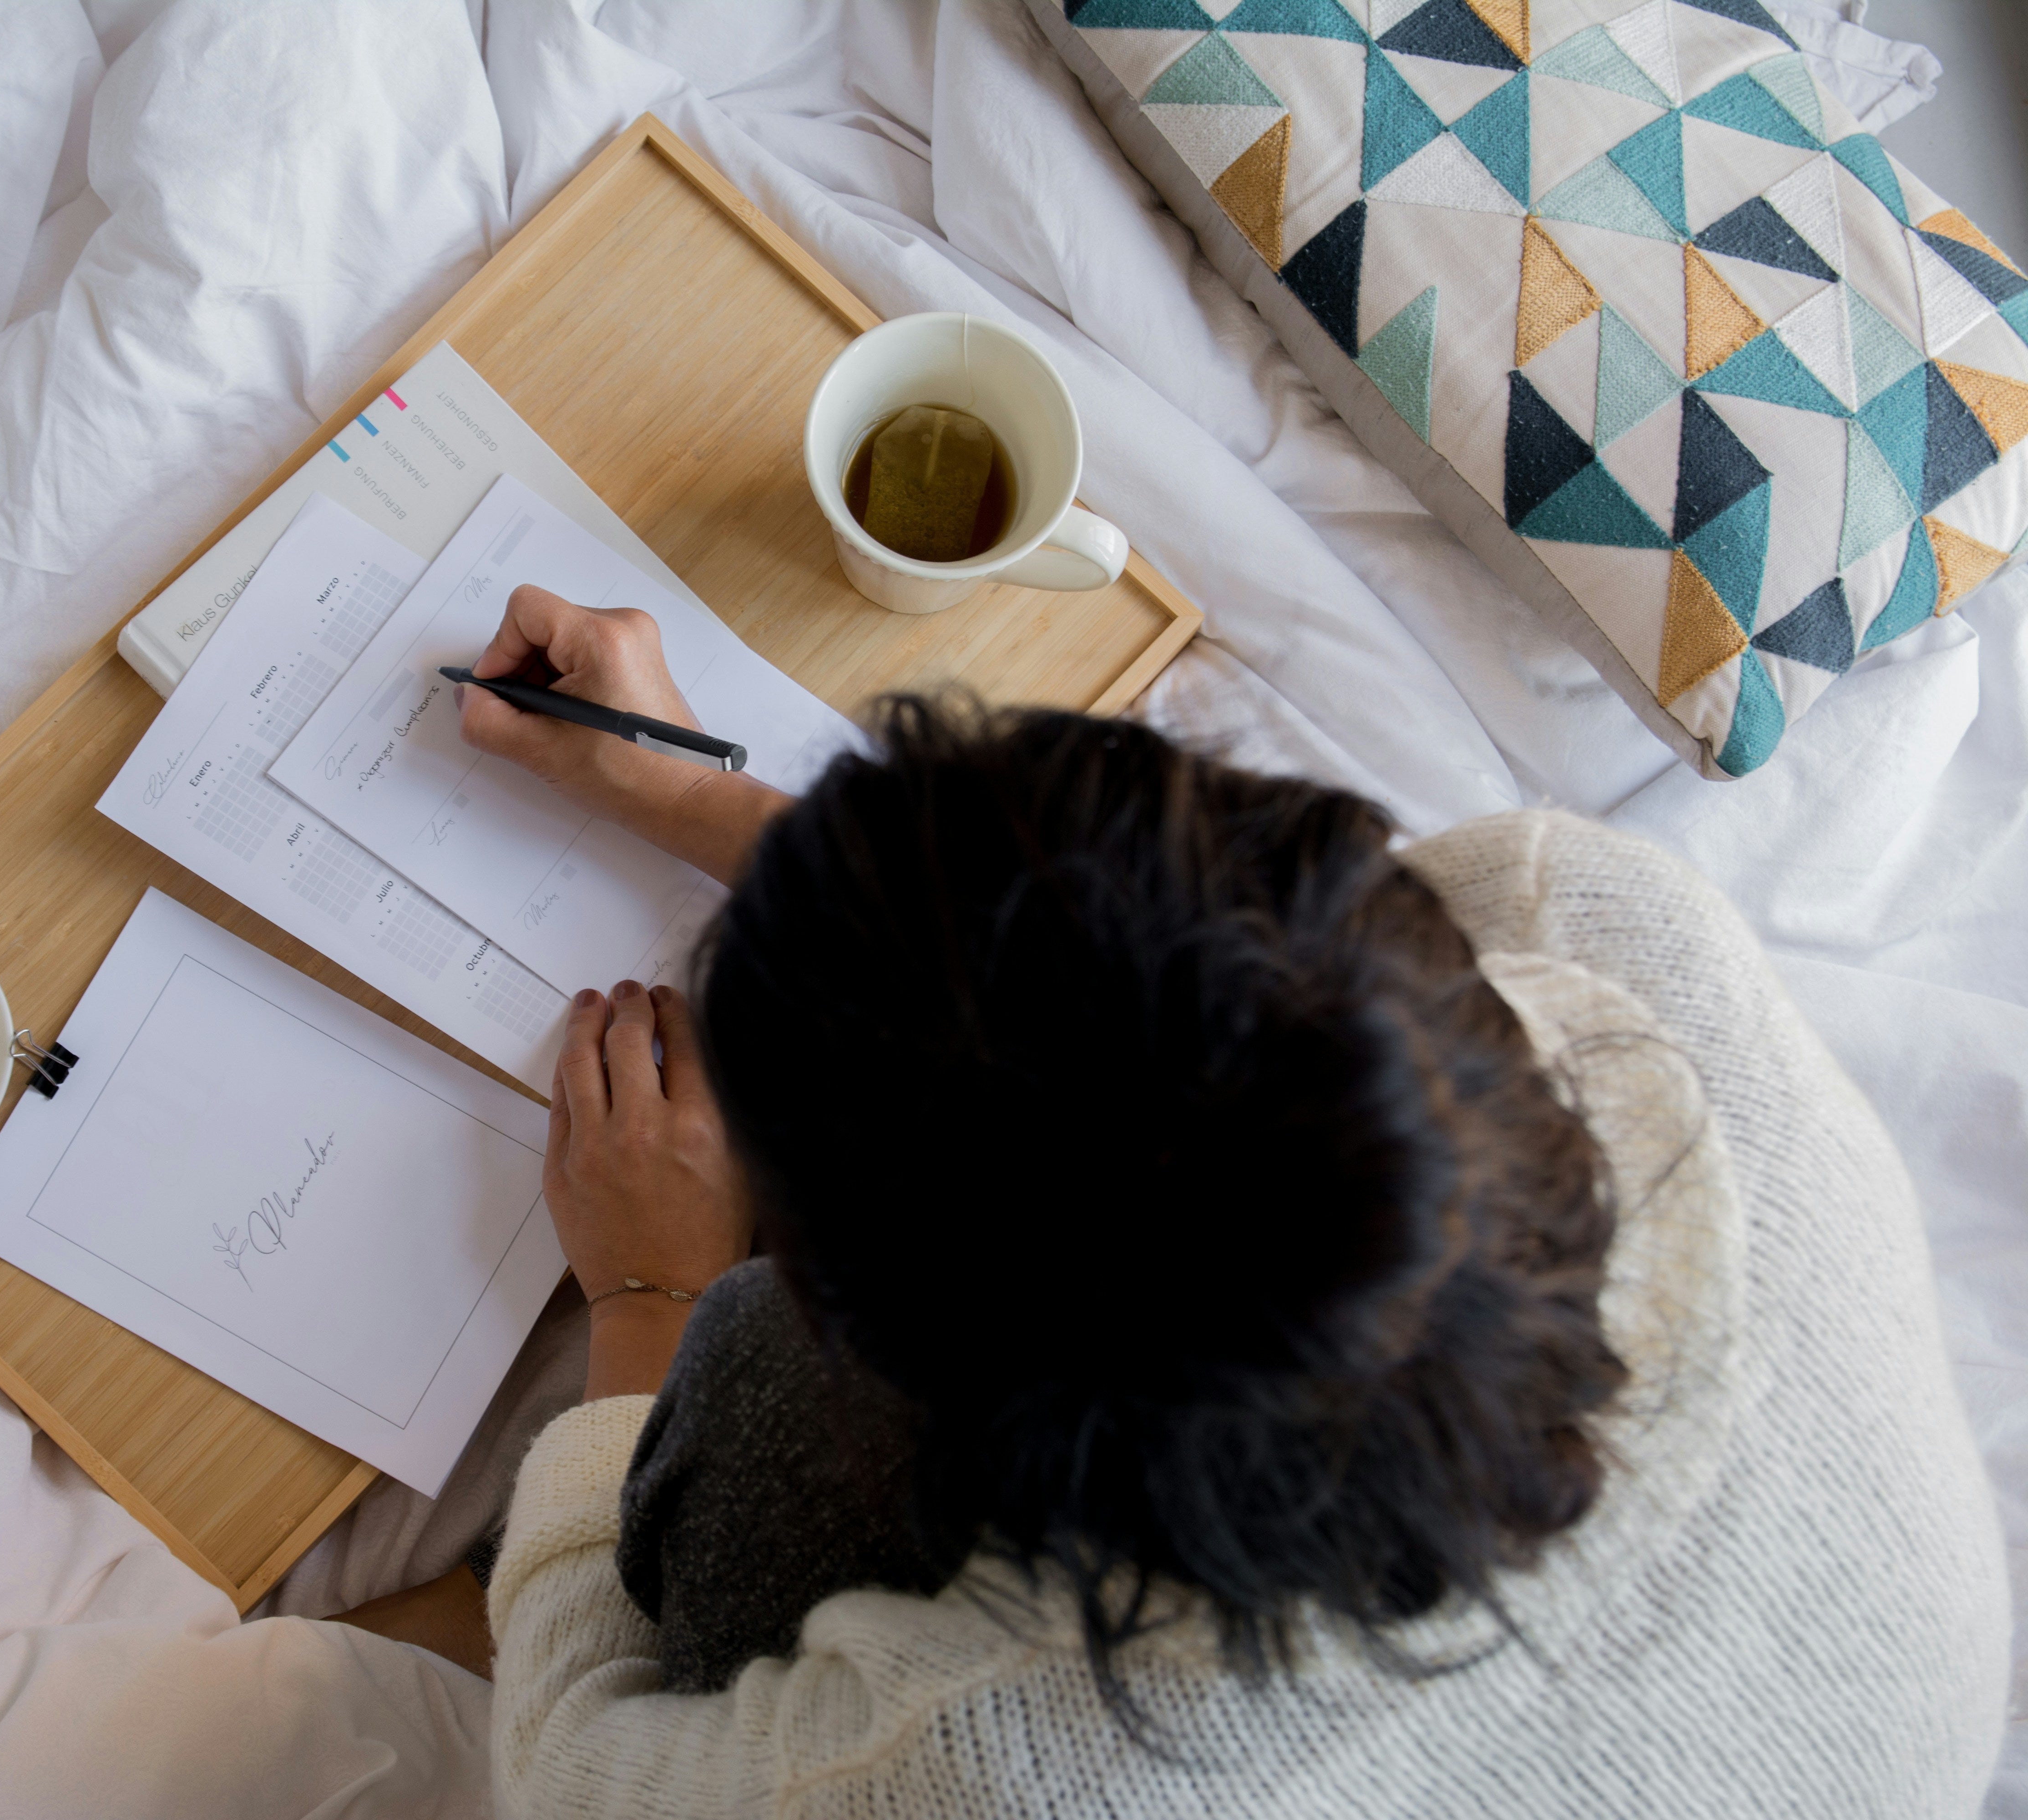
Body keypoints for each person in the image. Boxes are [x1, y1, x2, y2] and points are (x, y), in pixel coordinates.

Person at [334, 586, 2008, 1815]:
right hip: (1880, 1711)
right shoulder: (1616, 935)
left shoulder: (994, 1775)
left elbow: (569, 1775)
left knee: (737, 1405)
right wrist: (696, 796)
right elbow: (1166, 982)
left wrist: (647, 1298)